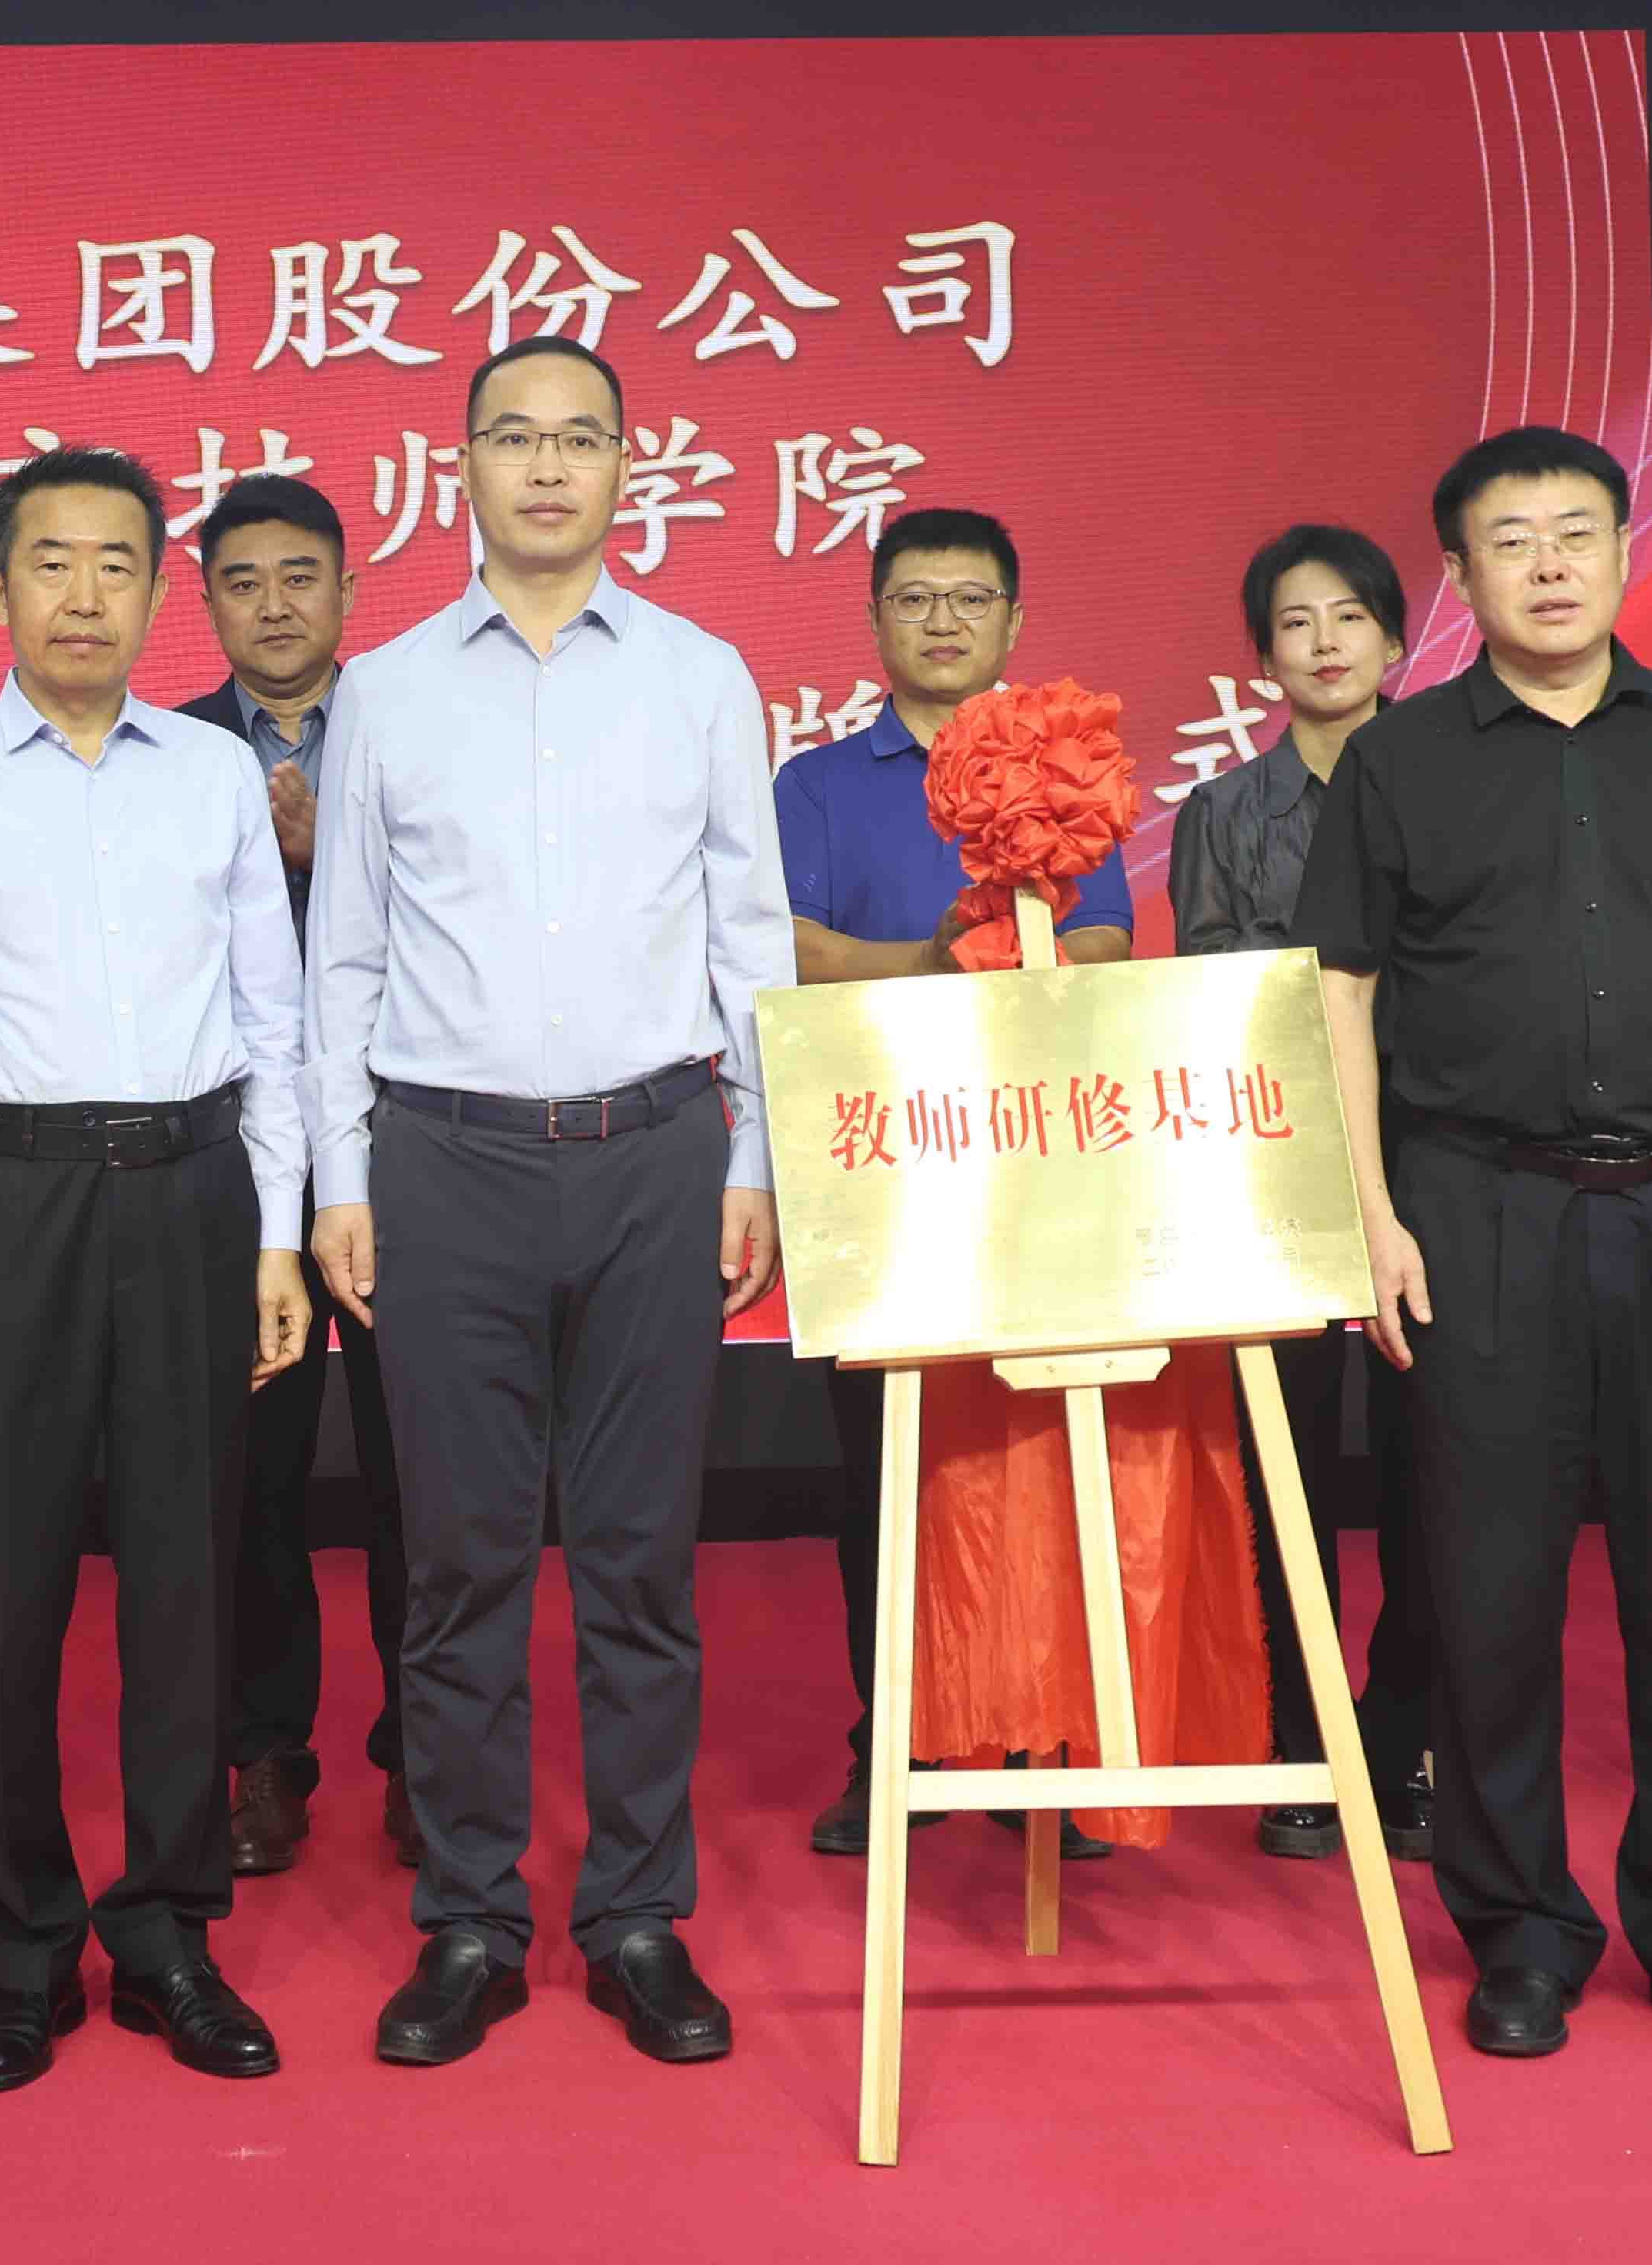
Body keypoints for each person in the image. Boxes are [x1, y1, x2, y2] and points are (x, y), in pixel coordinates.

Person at [1295, 426, 1652, 2070]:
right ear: (1460, 576)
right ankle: (1520, 1929)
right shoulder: (1398, 761)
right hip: (1476, 1209)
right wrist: (1369, 1209)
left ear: (1620, 553)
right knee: (1485, 1590)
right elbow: (1338, 993)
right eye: (1511, 539)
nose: (1548, 563)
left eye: (1577, 532)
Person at [307, 337, 792, 2073]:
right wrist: (340, 1172)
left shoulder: (700, 676)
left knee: (642, 1559)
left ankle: (639, 1913)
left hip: (657, 1153)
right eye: (512, 436)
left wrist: (754, 1158)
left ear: (624, 467)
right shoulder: (384, 689)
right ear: (462, 465)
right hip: (444, 1160)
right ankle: (469, 1917)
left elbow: (748, 935)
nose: (545, 465)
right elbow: (345, 951)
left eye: (578, 438)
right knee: (460, 1561)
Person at [0, 448, 315, 2093]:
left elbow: (273, 1022)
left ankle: (170, 1935)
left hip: (191, 1191)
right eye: (50, 561)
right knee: (5, 1587)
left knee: (186, 1577)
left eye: (118, 563)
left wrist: (276, 1231)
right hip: (2, 1200)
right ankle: (25, 1952)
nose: (83, 594)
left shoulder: (212, 774)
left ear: (155, 592)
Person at [775, 507, 1128, 1870]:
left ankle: (1040, 1750)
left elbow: (1105, 942)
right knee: (887, 1475)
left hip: (1038, 1161)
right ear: (874, 620)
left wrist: (1000, 961)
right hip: (876, 1161)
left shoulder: (1067, 769)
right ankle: (897, 1748)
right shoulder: (817, 783)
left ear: (1015, 623)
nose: (941, 621)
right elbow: (791, 950)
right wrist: (936, 964)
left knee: (1041, 1455)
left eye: (969, 598)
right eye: (914, 598)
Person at [1168, 522, 1433, 1866]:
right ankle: (1303, 1740)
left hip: (1438, 1169)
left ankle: (1414, 1739)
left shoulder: (1454, 783)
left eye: (1350, 617)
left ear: (1396, 636)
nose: (1325, 644)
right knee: (1288, 1473)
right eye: (1295, 623)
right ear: (1263, 657)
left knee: (1439, 1470)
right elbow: (1217, 994)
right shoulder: (1222, 815)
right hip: (1276, 1171)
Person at [180, 473, 413, 1879]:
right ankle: (263, 1750)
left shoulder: (414, 730)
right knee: (248, 1472)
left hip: (406, 1143)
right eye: (243, 581)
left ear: (347, 590)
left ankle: (423, 1750)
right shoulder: (167, 752)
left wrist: (338, 863)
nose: (274, 605)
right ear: (205, 601)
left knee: (419, 1469)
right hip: (240, 1153)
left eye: (300, 577)